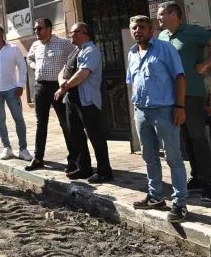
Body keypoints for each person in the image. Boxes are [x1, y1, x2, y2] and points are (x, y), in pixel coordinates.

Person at [126, 15, 188, 223]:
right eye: (134, 28)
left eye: (142, 27)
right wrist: (136, 107)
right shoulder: (132, 53)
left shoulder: (164, 48)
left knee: (173, 157)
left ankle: (180, 204)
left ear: (150, 30)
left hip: (165, 111)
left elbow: (179, 77)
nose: (138, 31)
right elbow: (132, 82)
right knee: (149, 156)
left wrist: (180, 106)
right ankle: (156, 197)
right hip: (142, 112)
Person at [157, 1, 211, 202]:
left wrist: (205, 64)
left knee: (198, 137)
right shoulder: (162, 36)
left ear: (174, 14)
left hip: (192, 94)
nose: (158, 18)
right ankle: (197, 177)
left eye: (162, 14)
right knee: (185, 138)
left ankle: (209, 183)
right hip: (170, 96)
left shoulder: (192, 32)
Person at [54, 22, 113, 184]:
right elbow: (63, 71)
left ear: (83, 33)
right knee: (75, 134)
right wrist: (63, 85)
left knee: (95, 135)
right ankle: (84, 167)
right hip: (72, 99)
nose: (70, 35)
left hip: (87, 101)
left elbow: (83, 73)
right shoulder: (75, 51)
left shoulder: (91, 51)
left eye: (73, 32)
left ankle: (104, 171)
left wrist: (64, 86)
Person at [25, 18, 78, 172]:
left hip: (57, 87)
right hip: (40, 86)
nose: (37, 32)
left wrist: (68, 76)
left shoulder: (63, 43)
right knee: (41, 123)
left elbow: (75, 56)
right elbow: (29, 58)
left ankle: (73, 159)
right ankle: (38, 158)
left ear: (49, 29)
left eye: (39, 28)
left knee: (65, 122)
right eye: (35, 29)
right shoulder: (35, 45)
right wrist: (35, 66)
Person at [0, 25, 32, 161]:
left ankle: (23, 149)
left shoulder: (13, 49)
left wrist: (20, 85)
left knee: (18, 119)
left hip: (12, 90)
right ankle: (6, 148)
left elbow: (22, 67)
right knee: (0, 119)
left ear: (0, 34)